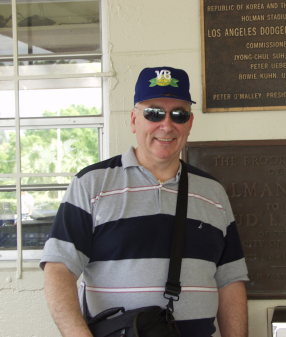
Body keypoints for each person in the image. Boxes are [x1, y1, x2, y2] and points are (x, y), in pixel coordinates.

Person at [40, 66, 249, 337]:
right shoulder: (91, 184)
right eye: (153, 113)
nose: (167, 124)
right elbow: (59, 269)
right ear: (133, 120)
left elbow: (230, 280)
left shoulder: (213, 193)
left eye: (179, 114)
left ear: (190, 122)